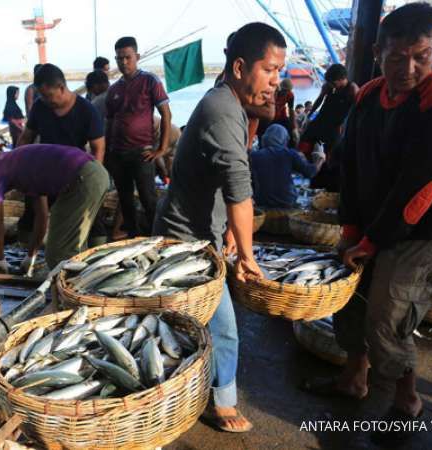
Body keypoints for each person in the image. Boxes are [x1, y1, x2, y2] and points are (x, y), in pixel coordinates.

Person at [301, 4, 432, 445]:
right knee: (349, 296)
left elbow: (424, 185)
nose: (409, 69)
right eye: (397, 57)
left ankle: (407, 400)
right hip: (377, 218)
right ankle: (354, 379)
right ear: (378, 52)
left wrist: (374, 241)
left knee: (388, 312)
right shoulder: (368, 95)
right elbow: (351, 162)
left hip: (426, 226)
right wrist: (352, 230)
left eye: (422, 57)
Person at [154, 22, 287, 433]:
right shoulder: (220, 111)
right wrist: (246, 258)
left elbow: (234, 172)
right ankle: (218, 401)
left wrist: (231, 236)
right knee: (222, 326)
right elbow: (239, 192)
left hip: (202, 232)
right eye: (269, 70)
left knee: (193, 323)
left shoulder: (228, 101)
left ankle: (194, 392)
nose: (276, 82)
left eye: (280, 71)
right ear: (240, 67)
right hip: (185, 241)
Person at [17, 63, 106, 247]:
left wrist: (94, 182)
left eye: (49, 96)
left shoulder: (86, 110)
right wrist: (18, 166)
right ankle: (28, 252)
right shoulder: (40, 107)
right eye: (42, 96)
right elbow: (26, 137)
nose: (46, 100)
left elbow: (98, 148)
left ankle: (96, 250)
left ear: (62, 88)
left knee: (93, 218)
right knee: (31, 211)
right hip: (46, 170)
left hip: (77, 172)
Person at [0, 143, 109, 274]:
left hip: (83, 177)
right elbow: (42, 216)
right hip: (97, 172)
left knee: (59, 255)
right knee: (75, 244)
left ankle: (70, 290)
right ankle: (81, 283)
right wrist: (30, 257)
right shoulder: (20, 164)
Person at [106, 36, 172, 237]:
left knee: (148, 199)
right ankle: (133, 238)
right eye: (119, 58)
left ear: (137, 56)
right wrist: (107, 152)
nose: (123, 62)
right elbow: (109, 122)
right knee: (125, 200)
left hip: (142, 152)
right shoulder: (114, 89)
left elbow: (166, 114)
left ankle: (157, 239)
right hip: (118, 154)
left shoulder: (150, 81)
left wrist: (161, 148)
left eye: (127, 57)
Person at [251, 124, 324, 209]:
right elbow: (310, 172)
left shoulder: (254, 156)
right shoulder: (289, 153)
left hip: (262, 203)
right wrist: (320, 159)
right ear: (285, 139)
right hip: (286, 202)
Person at [273, 77, 297, 146]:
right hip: (270, 116)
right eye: (284, 90)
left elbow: (291, 110)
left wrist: (294, 127)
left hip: (281, 116)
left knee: (291, 134)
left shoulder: (290, 95)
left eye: (287, 91)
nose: (285, 92)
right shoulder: (274, 92)